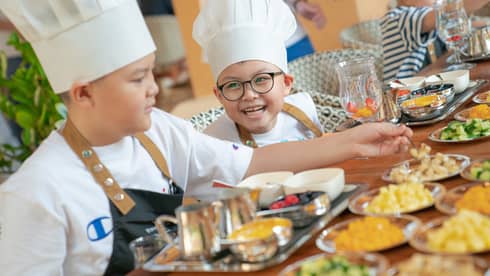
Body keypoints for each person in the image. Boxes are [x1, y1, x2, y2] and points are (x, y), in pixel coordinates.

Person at [0, 0, 412, 275]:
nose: (154, 89)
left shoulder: (160, 132)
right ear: (83, 92)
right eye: (138, 78)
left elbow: (256, 163)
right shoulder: (36, 193)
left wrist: (360, 140)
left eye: (152, 72)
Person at [195, 0, 326, 147]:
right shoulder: (214, 142)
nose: (249, 95)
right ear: (219, 95)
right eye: (233, 84)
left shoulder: (306, 110)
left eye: (261, 79)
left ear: (286, 83)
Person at [382, 0, 490, 82]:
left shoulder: (430, 25)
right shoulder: (397, 18)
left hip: (426, 84)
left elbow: (437, 66)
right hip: (401, 94)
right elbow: (451, 10)